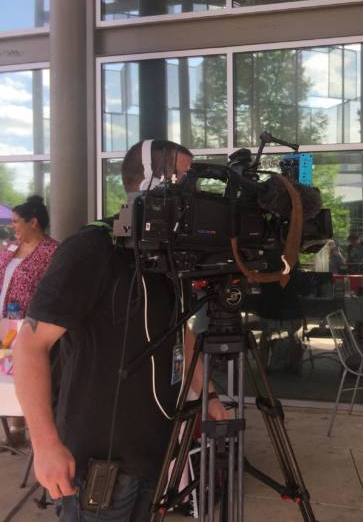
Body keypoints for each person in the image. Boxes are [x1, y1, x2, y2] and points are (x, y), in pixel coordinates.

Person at [13, 139, 228, 521]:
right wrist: (44, 446)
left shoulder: (170, 257)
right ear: (148, 183)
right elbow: (29, 344)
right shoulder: (93, 247)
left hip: (154, 450)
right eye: (183, 179)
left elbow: (179, 333)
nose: (193, 193)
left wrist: (208, 395)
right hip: (99, 461)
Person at [0, 195, 58, 318]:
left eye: (15, 221)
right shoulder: (11, 246)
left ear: (33, 223)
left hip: (29, 323)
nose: (11, 226)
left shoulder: (53, 251)